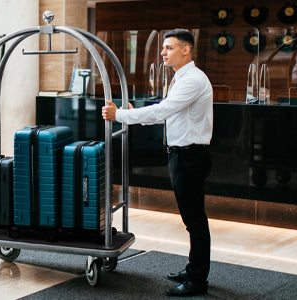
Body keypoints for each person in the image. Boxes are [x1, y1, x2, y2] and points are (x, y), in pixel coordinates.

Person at [102, 29, 213, 297]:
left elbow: (163, 111)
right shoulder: (181, 77)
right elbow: (166, 110)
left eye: (169, 48)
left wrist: (121, 115)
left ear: (186, 50)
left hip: (190, 156)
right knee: (192, 219)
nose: (163, 53)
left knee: (195, 221)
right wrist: (130, 112)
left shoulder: (193, 79)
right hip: (182, 155)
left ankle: (197, 280)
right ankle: (194, 269)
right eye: (163, 48)